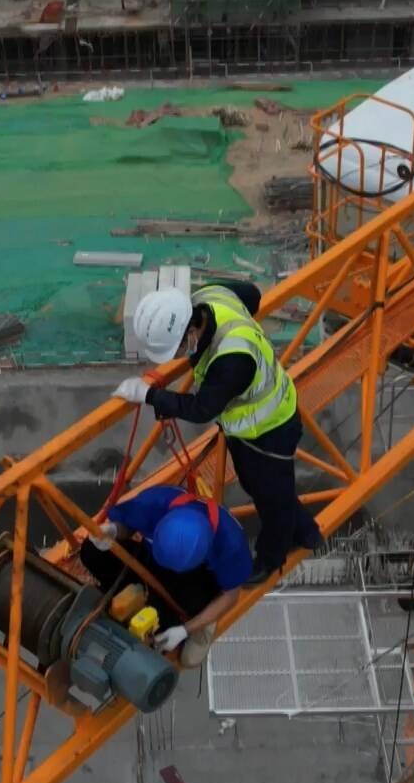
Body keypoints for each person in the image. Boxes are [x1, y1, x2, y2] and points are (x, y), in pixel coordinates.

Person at [115, 283, 325, 585]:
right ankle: (307, 532)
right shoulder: (209, 295)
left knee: (272, 498)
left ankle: (272, 557)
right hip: (248, 425)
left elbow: (201, 409)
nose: (176, 356)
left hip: (270, 429)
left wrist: (149, 395)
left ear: (191, 332)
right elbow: (252, 294)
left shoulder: (232, 359)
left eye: (174, 349)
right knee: (263, 488)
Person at [81, 485, 252, 666]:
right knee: (91, 551)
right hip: (150, 558)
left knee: (168, 637)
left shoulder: (231, 545)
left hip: (191, 582)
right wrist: (115, 531)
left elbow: (231, 595)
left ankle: (201, 622)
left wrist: (185, 630)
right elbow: (129, 526)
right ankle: (127, 594)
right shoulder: (154, 503)